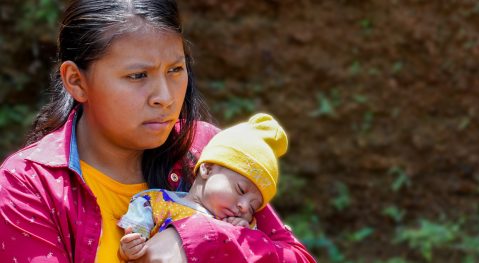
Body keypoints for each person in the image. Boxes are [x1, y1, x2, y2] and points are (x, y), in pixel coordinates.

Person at [0, 0, 316, 262]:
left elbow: (296, 256)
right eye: (138, 76)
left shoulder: (207, 149)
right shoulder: (28, 186)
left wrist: (197, 240)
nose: (165, 97)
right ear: (77, 81)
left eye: (176, 70)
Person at [118, 113, 287, 261]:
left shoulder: (239, 228)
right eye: (241, 190)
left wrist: (241, 233)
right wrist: (129, 248)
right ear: (207, 169)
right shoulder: (156, 201)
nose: (244, 207)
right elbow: (135, 239)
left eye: (253, 206)